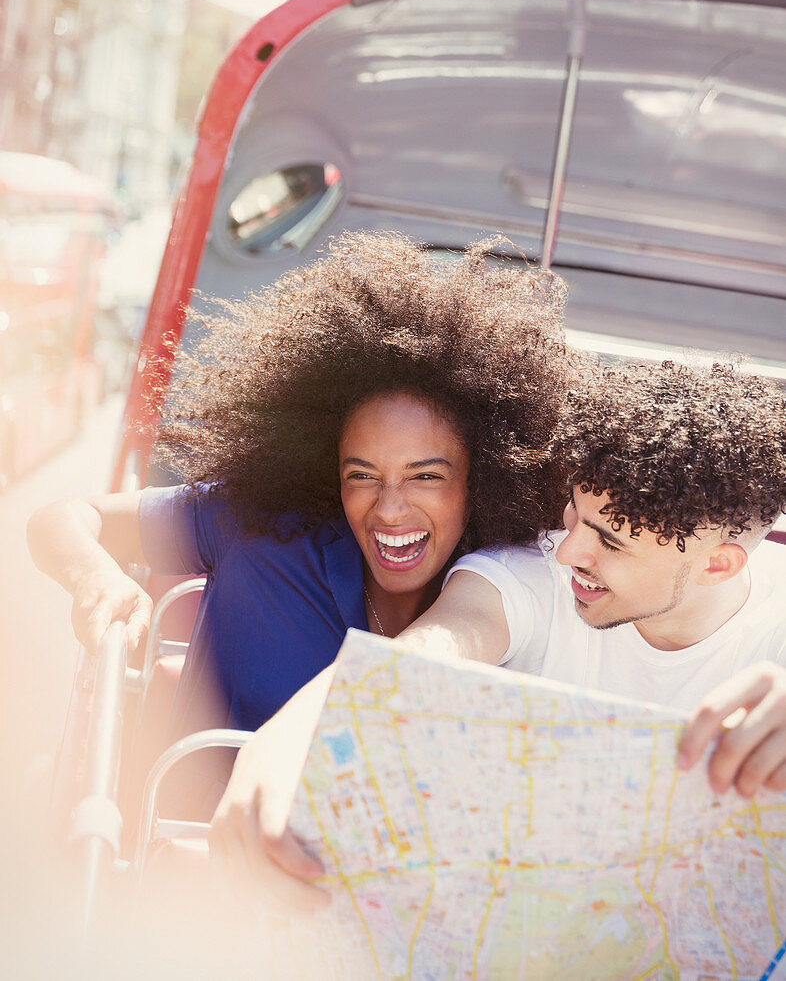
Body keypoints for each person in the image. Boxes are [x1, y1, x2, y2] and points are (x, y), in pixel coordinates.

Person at [209, 357, 786, 907]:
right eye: (573, 515)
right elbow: (422, 656)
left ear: (720, 565)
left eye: (610, 542)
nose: (568, 553)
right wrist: (278, 747)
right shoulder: (527, 577)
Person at [27, 231, 577, 746]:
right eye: (361, 475)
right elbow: (62, 518)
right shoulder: (257, 523)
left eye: (425, 476)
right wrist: (95, 579)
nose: (388, 507)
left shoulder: (510, 588)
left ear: (481, 477)